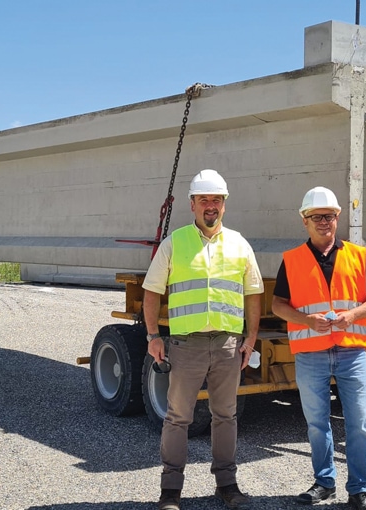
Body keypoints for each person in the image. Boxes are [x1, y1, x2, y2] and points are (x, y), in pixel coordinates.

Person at [142, 169, 264, 510]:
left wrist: (250, 338)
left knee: (225, 416)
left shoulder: (239, 243)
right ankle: (170, 492)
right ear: (193, 204)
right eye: (204, 200)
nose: (210, 206)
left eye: (217, 200)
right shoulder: (175, 242)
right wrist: (153, 335)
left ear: (224, 205)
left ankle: (227, 485)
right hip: (186, 346)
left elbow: (254, 293)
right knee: (178, 417)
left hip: (227, 346)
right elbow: (151, 292)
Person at [271, 186, 366, 510]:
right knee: (317, 423)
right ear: (304, 221)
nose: (325, 222)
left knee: (360, 422)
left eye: (330, 216)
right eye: (317, 217)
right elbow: (278, 305)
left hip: (351, 352)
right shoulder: (292, 261)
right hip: (310, 354)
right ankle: (324, 483)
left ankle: (359, 491)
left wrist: (354, 314)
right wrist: (307, 320)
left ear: (338, 218)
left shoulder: (358, 256)